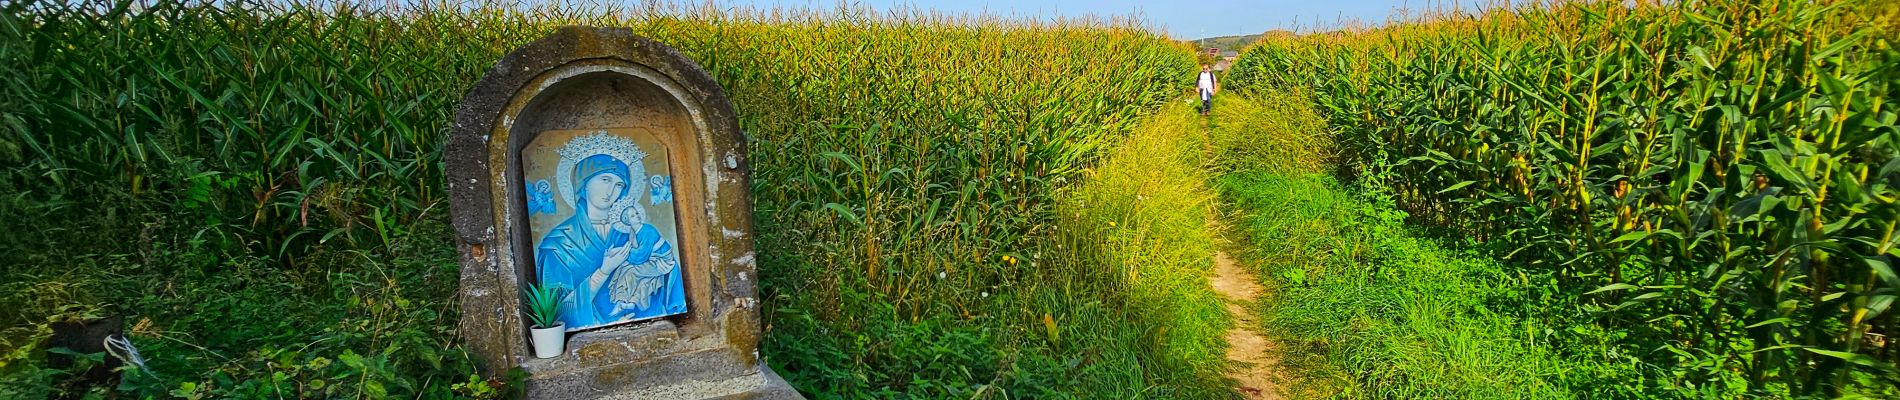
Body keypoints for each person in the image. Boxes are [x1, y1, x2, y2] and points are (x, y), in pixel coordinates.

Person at [534, 153, 686, 330]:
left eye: (619, 184)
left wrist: (661, 268)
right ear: (584, 183)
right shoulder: (557, 244)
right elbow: (558, 311)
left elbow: (670, 276)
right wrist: (604, 271)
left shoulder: (634, 231)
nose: (610, 191)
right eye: (605, 179)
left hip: (647, 325)